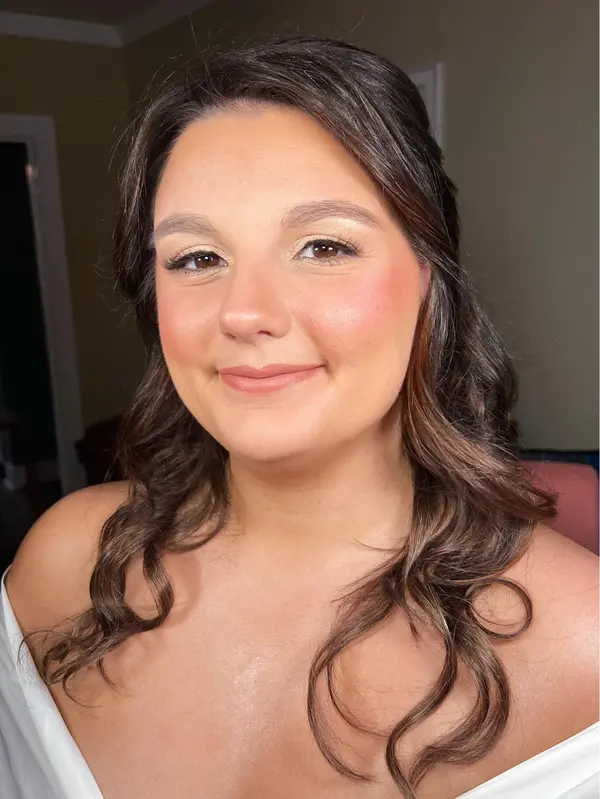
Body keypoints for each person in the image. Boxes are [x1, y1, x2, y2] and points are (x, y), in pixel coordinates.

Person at [1, 35, 598, 799]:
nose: (244, 311)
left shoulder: (584, 651)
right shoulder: (65, 564)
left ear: (426, 281)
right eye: (196, 257)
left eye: (322, 246)